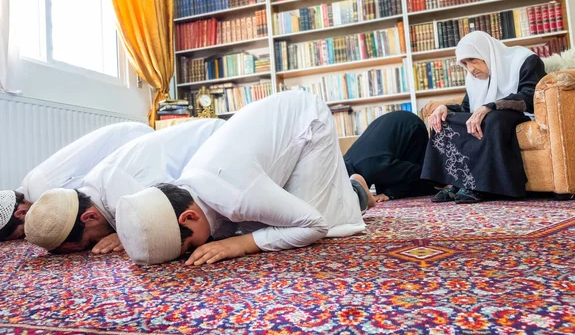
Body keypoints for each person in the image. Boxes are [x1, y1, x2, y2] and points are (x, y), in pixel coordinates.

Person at [115, 91, 376, 265]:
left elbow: (313, 224)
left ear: (188, 217)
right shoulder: (191, 184)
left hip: (306, 118)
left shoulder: (235, 196)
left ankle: (357, 190)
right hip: (264, 150)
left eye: (191, 244)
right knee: (266, 226)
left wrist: (242, 244)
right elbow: (222, 222)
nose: (198, 248)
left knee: (325, 227)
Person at [24, 118, 225, 254]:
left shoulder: (131, 193)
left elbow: (193, 216)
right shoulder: (94, 183)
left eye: (91, 242)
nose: (98, 244)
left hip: (221, 143)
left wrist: (131, 231)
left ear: (90, 216)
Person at [421, 31, 546, 204]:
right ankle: (459, 182)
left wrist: (490, 106)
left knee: (491, 120)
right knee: (445, 120)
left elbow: (531, 96)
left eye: (473, 60)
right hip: (492, 115)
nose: (470, 69)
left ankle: (482, 186)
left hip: (520, 114)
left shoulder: (524, 60)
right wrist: (445, 108)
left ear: (486, 52)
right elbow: (467, 107)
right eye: (465, 64)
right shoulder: (474, 77)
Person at [0, 122, 153, 241]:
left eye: (20, 235)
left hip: (136, 142)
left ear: (21, 213)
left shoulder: (44, 193)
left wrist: (126, 233)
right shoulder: (29, 184)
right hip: (133, 138)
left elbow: (95, 203)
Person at [344, 110, 436, 202]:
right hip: (397, 124)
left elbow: (418, 173)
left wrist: (390, 194)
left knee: (419, 185)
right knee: (385, 183)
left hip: (412, 127)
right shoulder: (348, 161)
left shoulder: (372, 168)